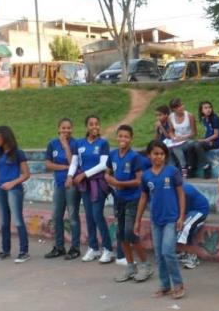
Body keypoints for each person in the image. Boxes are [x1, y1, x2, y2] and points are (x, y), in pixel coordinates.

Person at [136, 140, 186, 299]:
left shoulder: (172, 171)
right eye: (155, 153)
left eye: (162, 154)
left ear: (165, 156)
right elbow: (143, 198)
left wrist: (181, 216)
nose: (158, 157)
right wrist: (137, 220)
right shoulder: (146, 176)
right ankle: (164, 285)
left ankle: (178, 284)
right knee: (159, 255)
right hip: (155, 220)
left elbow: (180, 194)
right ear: (149, 155)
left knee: (167, 251)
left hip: (171, 218)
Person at [108, 125, 153, 283]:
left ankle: (145, 266)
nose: (123, 139)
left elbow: (139, 180)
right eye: (120, 136)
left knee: (130, 232)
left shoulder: (135, 157)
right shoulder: (113, 154)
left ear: (131, 139)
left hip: (132, 199)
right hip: (118, 198)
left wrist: (121, 183)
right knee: (121, 234)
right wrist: (112, 181)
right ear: (117, 137)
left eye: (126, 137)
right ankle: (130, 266)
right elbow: (107, 174)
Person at [68, 115, 114, 264]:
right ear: (86, 127)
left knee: (97, 215)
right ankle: (93, 248)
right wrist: (70, 176)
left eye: (96, 124)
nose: (94, 127)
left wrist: (83, 175)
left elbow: (103, 165)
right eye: (91, 124)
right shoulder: (79, 143)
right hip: (84, 185)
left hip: (97, 183)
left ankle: (107, 249)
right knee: (88, 216)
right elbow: (74, 162)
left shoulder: (103, 143)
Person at [0, 126, 31, 263]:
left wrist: (12, 183)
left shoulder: (18, 153)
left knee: (18, 220)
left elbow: (26, 174)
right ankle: (5, 250)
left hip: (14, 190)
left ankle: (24, 251)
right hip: (1, 190)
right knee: (4, 222)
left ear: (4, 137)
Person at [44, 118, 81, 260]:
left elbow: (74, 163)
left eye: (68, 128)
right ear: (58, 129)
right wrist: (64, 167)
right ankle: (59, 247)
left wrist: (66, 146)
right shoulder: (52, 144)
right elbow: (48, 164)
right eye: (63, 128)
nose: (66, 130)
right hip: (59, 185)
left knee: (73, 216)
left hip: (71, 185)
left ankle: (75, 248)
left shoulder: (75, 143)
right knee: (56, 216)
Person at [177, 182, 209, 269]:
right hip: (189, 211)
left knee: (185, 227)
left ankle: (193, 257)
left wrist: (180, 219)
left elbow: (184, 210)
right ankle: (184, 252)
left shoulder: (187, 190)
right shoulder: (171, 191)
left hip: (200, 210)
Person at [188, 101, 219, 179]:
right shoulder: (204, 119)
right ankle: (191, 167)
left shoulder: (215, 118)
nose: (208, 109)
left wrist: (205, 140)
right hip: (208, 140)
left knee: (197, 145)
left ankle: (206, 166)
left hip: (215, 142)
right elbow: (208, 131)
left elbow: (216, 135)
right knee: (191, 145)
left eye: (210, 107)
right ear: (201, 110)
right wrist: (204, 139)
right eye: (206, 108)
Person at [168, 98, 197, 177]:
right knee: (170, 147)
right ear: (174, 109)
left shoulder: (189, 116)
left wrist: (182, 138)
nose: (181, 107)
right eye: (178, 107)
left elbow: (194, 133)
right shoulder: (171, 117)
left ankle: (183, 167)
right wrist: (173, 137)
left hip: (188, 140)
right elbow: (170, 131)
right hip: (177, 141)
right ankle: (173, 168)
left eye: (182, 105)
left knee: (176, 148)